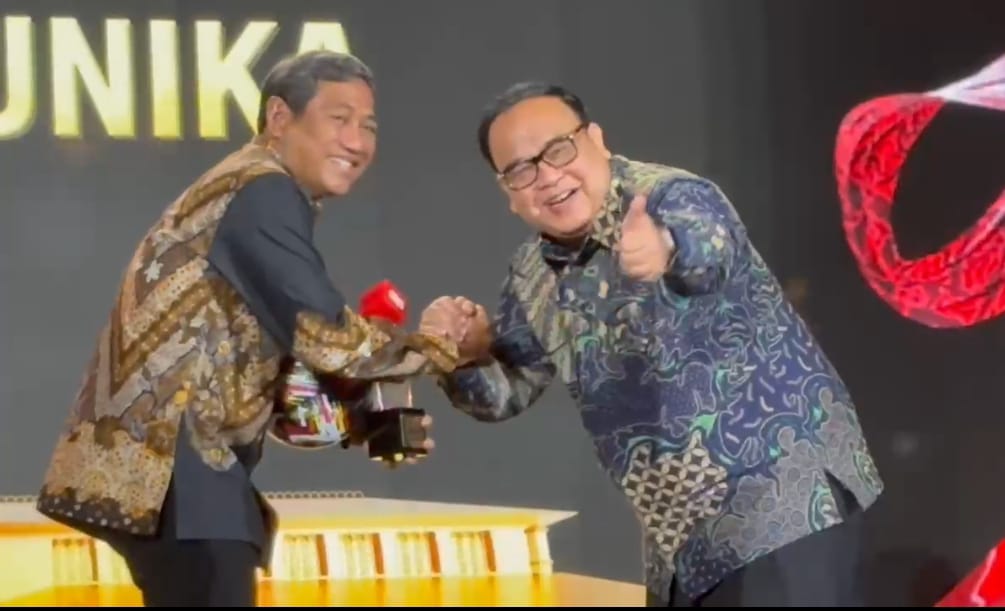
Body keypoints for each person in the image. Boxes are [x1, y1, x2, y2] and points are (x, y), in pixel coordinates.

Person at [421, 82, 885, 606]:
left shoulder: (669, 196)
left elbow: (708, 249)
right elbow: (505, 394)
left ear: (596, 140)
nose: (548, 176)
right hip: (681, 546)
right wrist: (461, 358)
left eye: (558, 150)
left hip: (782, 504)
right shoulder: (532, 272)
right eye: (521, 170)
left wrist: (663, 249)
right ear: (507, 192)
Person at [35, 51, 460, 607]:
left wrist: (359, 419)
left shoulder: (247, 190)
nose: (357, 141)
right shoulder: (261, 188)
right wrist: (445, 346)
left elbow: (279, 389)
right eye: (339, 119)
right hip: (179, 475)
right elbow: (328, 338)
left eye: (369, 126)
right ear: (279, 117)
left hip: (181, 482)